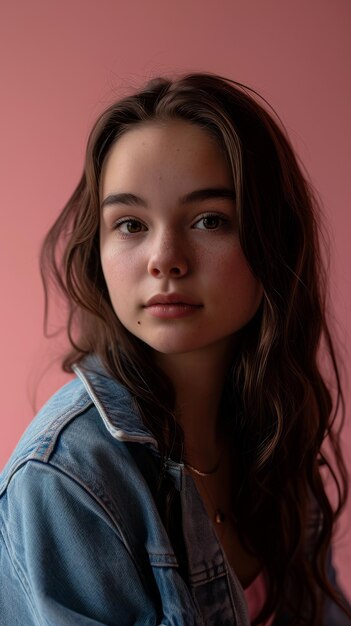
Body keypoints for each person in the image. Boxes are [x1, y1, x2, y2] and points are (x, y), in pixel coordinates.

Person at [0, 73, 350, 626]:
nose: (165, 258)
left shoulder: (275, 425)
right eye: (131, 224)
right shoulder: (66, 479)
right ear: (99, 249)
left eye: (210, 219)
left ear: (272, 239)